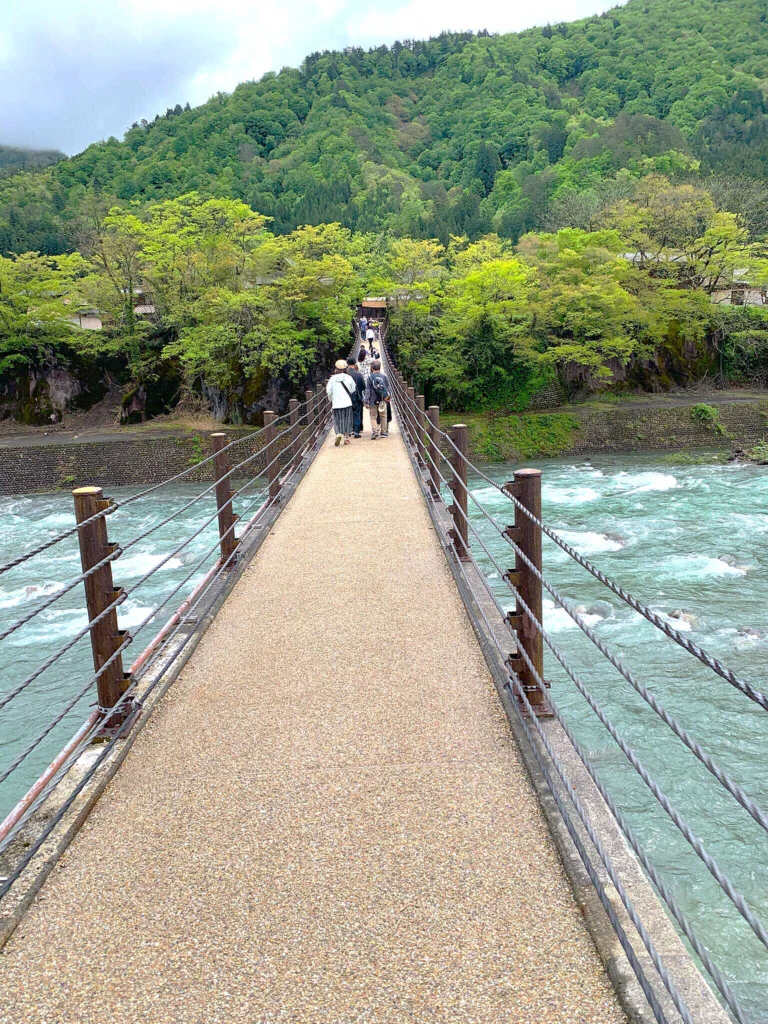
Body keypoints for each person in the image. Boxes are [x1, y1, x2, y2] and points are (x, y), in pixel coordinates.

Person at [326, 359, 356, 446]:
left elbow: (329, 391)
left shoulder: (332, 379)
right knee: (347, 419)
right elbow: (353, 389)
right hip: (347, 402)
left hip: (336, 403)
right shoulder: (349, 378)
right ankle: (346, 438)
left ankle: (339, 433)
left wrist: (331, 399)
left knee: (337, 419)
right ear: (345, 368)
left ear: (336, 368)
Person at [365, 359, 391, 439]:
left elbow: (368, 390)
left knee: (373, 416)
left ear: (372, 368)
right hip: (382, 399)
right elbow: (388, 388)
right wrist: (389, 398)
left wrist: (366, 401)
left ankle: (375, 431)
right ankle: (383, 432)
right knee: (383, 415)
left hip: (373, 399)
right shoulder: (384, 376)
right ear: (379, 368)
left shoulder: (369, 378)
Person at [345, 355, 365, 438]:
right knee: (357, 413)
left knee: (347, 413)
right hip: (357, 397)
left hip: (346, 397)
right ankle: (356, 431)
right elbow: (363, 387)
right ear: (355, 364)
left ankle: (348, 430)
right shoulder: (358, 375)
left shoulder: (344, 375)